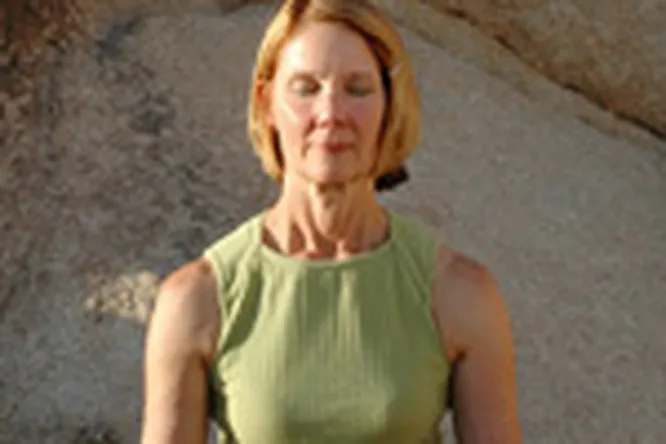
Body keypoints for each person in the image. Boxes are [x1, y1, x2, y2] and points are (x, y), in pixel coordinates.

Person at [140, 0, 522, 443]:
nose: (331, 113)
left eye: (357, 89)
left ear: (389, 105)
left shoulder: (459, 294)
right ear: (267, 103)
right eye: (306, 88)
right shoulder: (197, 300)